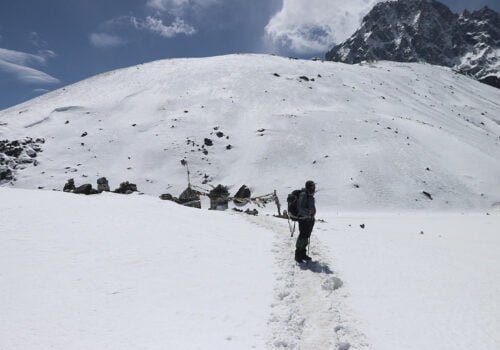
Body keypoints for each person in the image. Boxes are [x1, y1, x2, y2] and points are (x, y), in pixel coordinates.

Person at [295, 180, 316, 263]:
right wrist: (308, 212)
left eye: (314, 186)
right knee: (302, 236)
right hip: (303, 219)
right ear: (308, 186)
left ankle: (303, 254)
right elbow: (300, 208)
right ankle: (298, 255)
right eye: (312, 186)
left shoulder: (310, 195)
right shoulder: (304, 195)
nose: (314, 188)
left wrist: (312, 214)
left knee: (306, 236)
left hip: (309, 219)